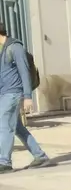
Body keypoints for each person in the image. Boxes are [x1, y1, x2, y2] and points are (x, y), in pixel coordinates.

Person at [0, 22, 54, 174]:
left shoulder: (15, 47)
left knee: (4, 125)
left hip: (13, 93)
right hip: (3, 93)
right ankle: (40, 156)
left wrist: (28, 96)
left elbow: (24, 72)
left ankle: (4, 162)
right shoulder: (1, 49)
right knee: (17, 127)